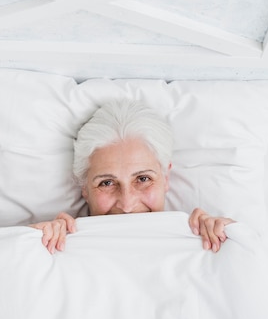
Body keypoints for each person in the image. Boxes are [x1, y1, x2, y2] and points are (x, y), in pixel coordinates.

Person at [31, 100, 235, 254]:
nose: (127, 205)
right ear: (84, 188)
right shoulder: (57, 246)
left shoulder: (204, 241)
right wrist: (31, 243)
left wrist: (231, 238)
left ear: (165, 178)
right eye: (107, 183)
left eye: (143, 179)